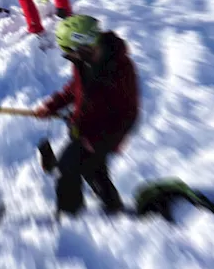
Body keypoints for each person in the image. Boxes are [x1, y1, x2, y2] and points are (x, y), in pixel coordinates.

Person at [34, 15, 139, 216]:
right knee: (94, 170)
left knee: (67, 167)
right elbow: (74, 89)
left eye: (69, 51)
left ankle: (69, 216)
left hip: (103, 136)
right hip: (83, 128)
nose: (68, 57)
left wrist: (98, 140)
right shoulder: (83, 61)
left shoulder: (121, 70)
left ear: (83, 46)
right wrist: (52, 106)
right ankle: (113, 206)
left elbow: (129, 115)